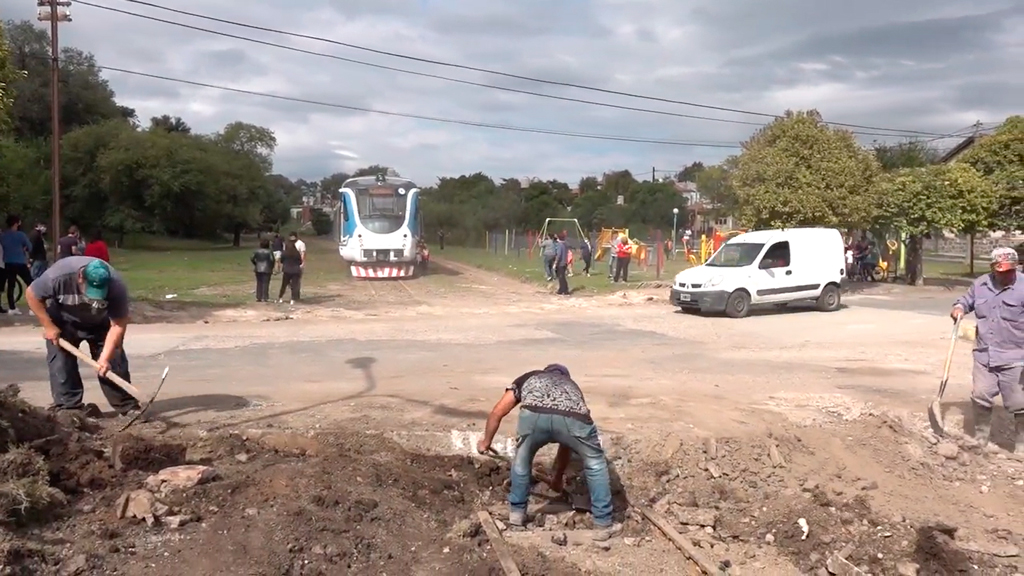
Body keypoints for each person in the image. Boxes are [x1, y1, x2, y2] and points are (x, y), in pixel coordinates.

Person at [476, 364, 622, 540]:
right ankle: (603, 524)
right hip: (573, 420)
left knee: (522, 460)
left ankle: (516, 518)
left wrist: (486, 442)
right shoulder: (572, 386)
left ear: (545, 372)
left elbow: (497, 412)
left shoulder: (530, 377)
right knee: (596, 464)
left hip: (534, 416)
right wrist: (558, 477)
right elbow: (567, 444)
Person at [23, 256, 141, 416]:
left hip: (101, 323)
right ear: (80, 277)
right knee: (61, 363)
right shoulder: (57, 277)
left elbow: (118, 325)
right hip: (63, 322)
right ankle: (69, 408)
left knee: (113, 360)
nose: (94, 296)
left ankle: (127, 407)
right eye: (91, 289)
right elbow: (32, 295)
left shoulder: (116, 286)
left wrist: (104, 358)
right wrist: (48, 326)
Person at [951, 247, 1024, 451]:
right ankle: (980, 440)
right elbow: (966, 300)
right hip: (985, 355)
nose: (1006, 275)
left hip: (1016, 357)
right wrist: (959, 308)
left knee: (1019, 403)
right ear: (993, 269)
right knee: (980, 394)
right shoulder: (981, 284)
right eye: (1001, 272)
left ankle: (1021, 446)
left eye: (1010, 271)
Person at [1, 214, 34, 315]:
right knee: (30, 283)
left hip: (8, 262)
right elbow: (30, 247)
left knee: (11, 285)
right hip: (20, 262)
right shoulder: (21, 235)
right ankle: (33, 307)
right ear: (16, 223)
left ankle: (12, 307)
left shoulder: (3, 236)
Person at [277, 233, 304, 304]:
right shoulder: (296, 253)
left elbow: (282, 261)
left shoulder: (285, 253)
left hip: (287, 270)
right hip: (295, 270)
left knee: (284, 284)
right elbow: (300, 261)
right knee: (294, 285)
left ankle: (280, 297)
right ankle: (293, 299)